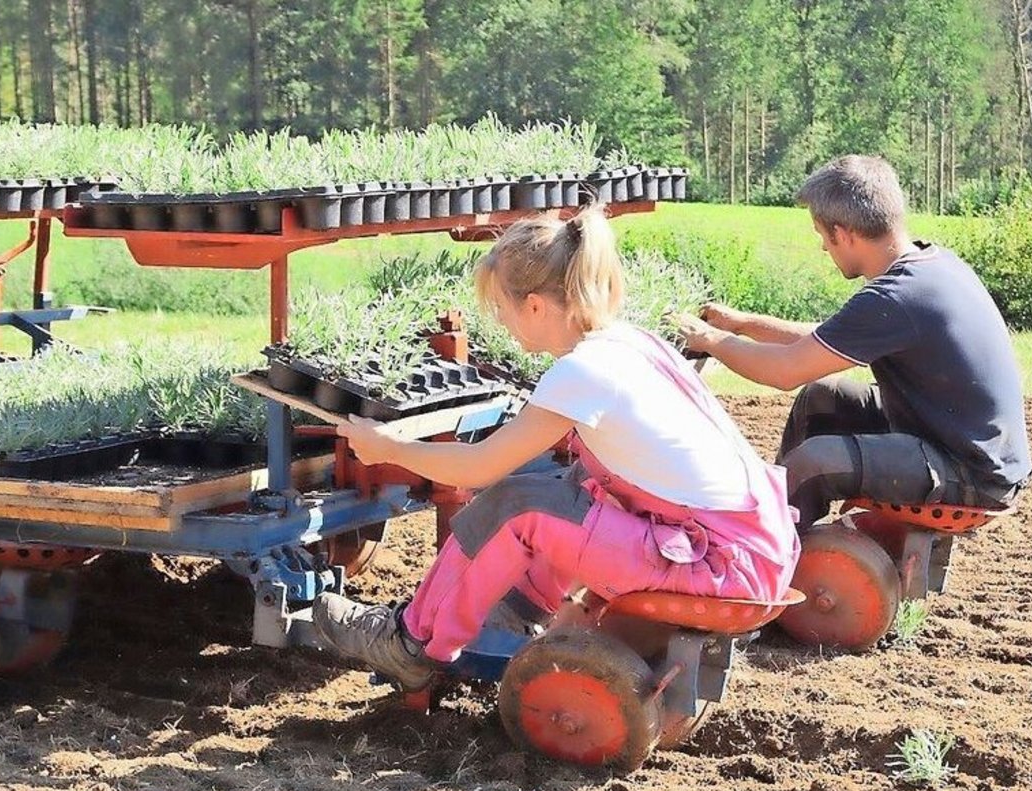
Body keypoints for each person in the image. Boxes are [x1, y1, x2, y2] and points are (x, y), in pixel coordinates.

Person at [312, 207, 800, 690]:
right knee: (567, 489)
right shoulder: (631, 342)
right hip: (754, 546)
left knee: (514, 505)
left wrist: (388, 447)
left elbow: (479, 469)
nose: (501, 323)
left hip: (718, 565)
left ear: (536, 306)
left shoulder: (582, 372)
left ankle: (412, 643)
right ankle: (515, 613)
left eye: (501, 308)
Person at [675, 155, 1031, 532]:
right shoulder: (930, 265)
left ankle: (758, 554)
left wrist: (711, 341)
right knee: (821, 397)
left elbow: (783, 372)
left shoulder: (896, 296)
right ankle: (787, 532)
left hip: (973, 471)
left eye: (821, 236)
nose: (823, 249)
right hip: (956, 439)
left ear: (843, 233)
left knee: (814, 463)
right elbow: (825, 341)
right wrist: (742, 324)